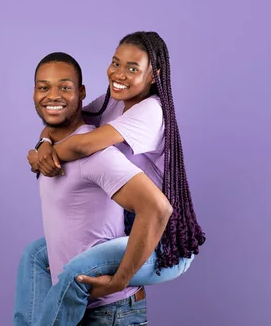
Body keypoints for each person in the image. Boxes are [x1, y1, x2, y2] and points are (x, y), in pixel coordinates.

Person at [14, 31, 206, 326]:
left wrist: (119, 281)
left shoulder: (151, 111)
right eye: (116, 63)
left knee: (75, 271)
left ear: (154, 75)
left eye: (132, 68)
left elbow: (82, 144)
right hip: (130, 223)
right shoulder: (116, 101)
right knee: (36, 254)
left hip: (164, 237)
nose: (119, 74)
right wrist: (42, 145)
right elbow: (63, 117)